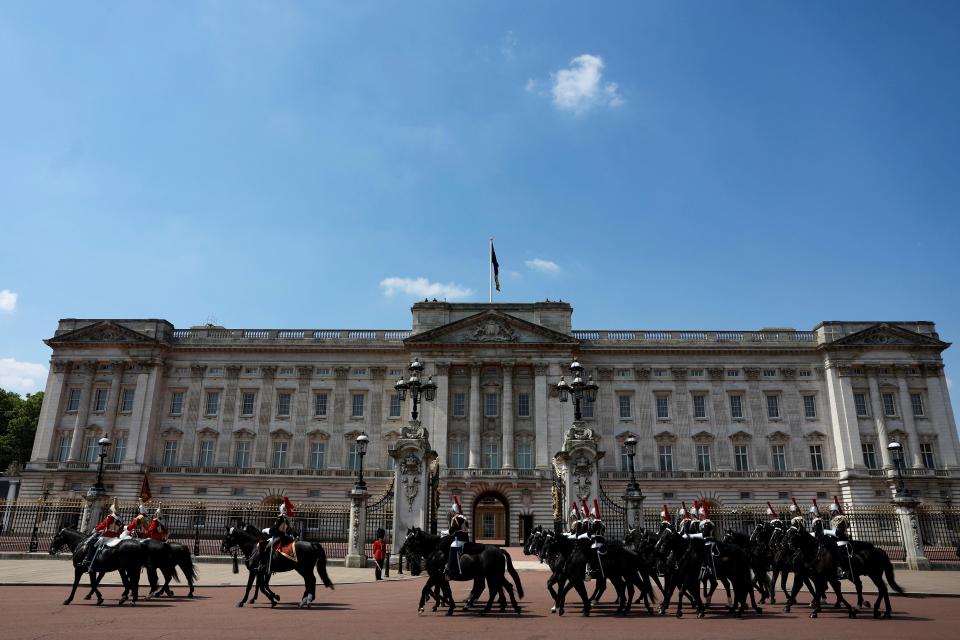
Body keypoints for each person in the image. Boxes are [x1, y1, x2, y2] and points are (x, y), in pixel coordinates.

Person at [259, 496, 295, 574]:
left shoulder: (281, 517)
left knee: (263, 545)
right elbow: (289, 529)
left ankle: (265, 565)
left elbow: (274, 529)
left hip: (278, 536)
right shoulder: (287, 519)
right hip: (285, 536)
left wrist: (266, 530)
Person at [84, 498, 124, 569]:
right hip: (115, 537)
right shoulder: (120, 518)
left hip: (106, 537)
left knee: (92, 543)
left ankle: (89, 561)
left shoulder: (110, 517)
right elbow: (121, 529)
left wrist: (96, 529)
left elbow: (103, 524)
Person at [825, 496, 853, 579]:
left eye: (831, 511)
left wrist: (826, 532)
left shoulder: (841, 518)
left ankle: (844, 570)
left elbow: (839, 532)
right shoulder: (832, 519)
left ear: (835, 510)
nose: (830, 512)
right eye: (830, 511)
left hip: (841, 540)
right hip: (834, 540)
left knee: (840, 554)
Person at [446, 495, 468, 579]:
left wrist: (443, 532)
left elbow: (451, 531)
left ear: (454, 511)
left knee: (452, 546)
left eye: (452, 511)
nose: (452, 513)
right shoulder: (464, 517)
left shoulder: (455, 518)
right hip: (465, 540)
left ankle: (450, 569)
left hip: (458, 540)